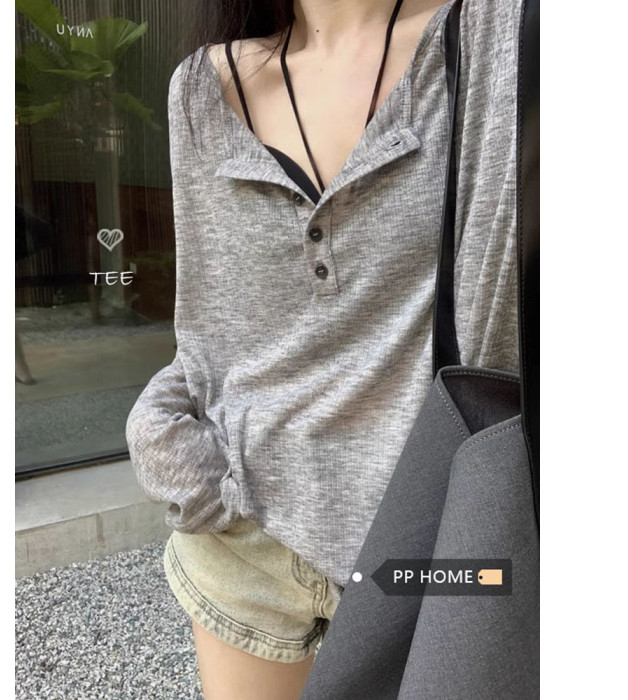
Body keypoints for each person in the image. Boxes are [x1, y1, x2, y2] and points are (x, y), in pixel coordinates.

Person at [126, 0, 523, 698]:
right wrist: (164, 441)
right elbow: (211, 332)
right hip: (246, 549)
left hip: (434, 544)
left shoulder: (498, 34)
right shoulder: (200, 87)